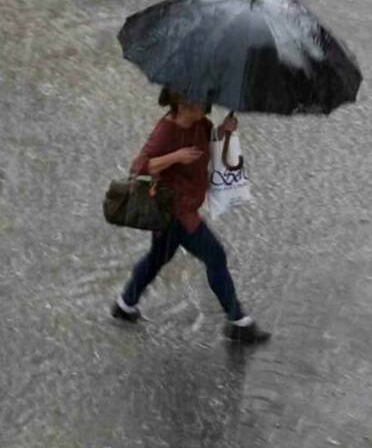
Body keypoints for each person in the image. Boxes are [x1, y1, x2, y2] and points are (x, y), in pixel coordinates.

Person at [111, 87, 270, 344]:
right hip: (175, 211)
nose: (207, 105)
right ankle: (238, 321)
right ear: (183, 103)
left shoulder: (201, 125)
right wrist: (176, 157)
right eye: (202, 102)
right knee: (216, 256)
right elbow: (139, 166)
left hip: (185, 207)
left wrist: (224, 132)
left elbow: (211, 146)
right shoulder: (166, 131)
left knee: (157, 258)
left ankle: (125, 304)